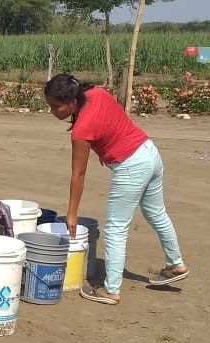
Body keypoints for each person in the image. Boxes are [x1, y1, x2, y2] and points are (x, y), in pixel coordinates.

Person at [43, 73, 189, 305]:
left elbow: (78, 174)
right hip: (149, 152)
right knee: (156, 213)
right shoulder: (96, 93)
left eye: (55, 106)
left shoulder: (82, 130)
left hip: (131, 165)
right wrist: (107, 146)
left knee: (115, 228)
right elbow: (112, 117)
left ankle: (111, 290)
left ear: (71, 102)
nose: (52, 111)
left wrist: (71, 212)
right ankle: (175, 263)